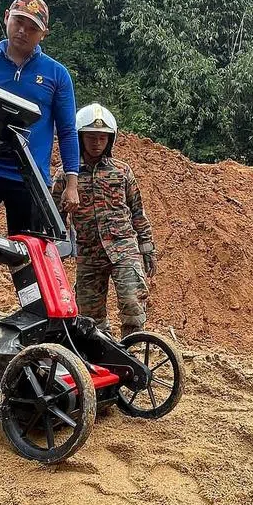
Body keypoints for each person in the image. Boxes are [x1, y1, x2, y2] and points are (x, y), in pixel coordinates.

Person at [0, 0, 80, 234]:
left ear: (44, 34)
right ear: (6, 16)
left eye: (33, 28)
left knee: (31, 258)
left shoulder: (57, 74)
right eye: (19, 21)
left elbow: (67, 131)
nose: (23, 31)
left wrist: (72, 184)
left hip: (31, 177)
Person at [54, 103, 156, 337]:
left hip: (124, 249)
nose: (97, 142)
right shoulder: (66, 176)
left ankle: (132, 354)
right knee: (90, 319)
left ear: (110, 139)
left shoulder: (122, 172)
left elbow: (138, 212)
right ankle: (103, 357)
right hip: (89, 254)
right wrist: (56, 250)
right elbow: (56, 216)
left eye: (102, 137)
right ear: (80, 138)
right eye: (91, 137)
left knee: (132, 303)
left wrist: (147, 248)